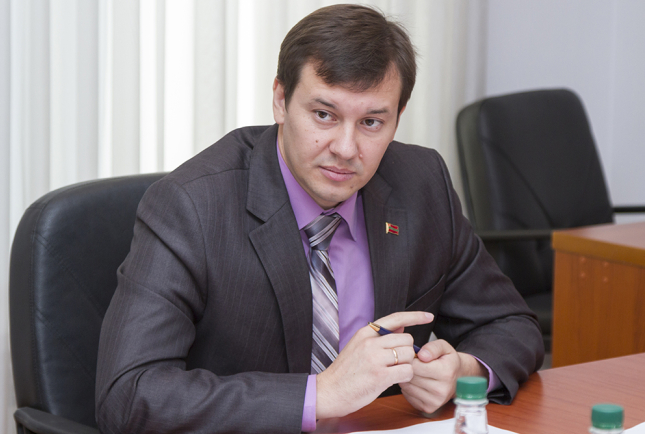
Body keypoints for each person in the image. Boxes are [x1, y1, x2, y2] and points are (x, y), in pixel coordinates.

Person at [95, 4, 544, 433]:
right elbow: (129, 396)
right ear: (280, 100)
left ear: (398, 117)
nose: (346, 149)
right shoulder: (192, 206)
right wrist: (320, 396)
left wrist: (462, 371)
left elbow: (512, 325)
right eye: (324, 115)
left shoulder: (421, 184)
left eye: (371, 123)